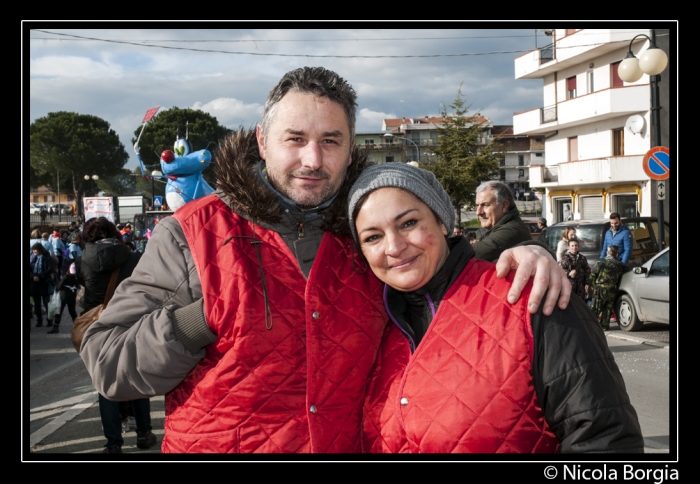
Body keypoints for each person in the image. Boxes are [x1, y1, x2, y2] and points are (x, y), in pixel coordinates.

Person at [79, 67, 571, 454]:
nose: (313, 159)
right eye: (295, 139)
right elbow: (109, 363)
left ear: (350, 146)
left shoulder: (365, 233)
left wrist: (523, 253)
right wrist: (200, 319)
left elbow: (443, 290)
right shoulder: (191, 233)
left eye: (331, 141)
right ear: (261, 140)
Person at [348, 163, 643, 453]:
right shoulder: (367, 329)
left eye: (408, 223)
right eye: (373, 237)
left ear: (441, 221)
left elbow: (604, 436)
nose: (393, 246)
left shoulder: (532, 296)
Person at [76, 216, 157, 454]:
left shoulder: (84, 260)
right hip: (130, 324)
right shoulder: (133, 257)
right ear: (114, 232)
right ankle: (143, 433)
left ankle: (113, 444)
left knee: (105, 383)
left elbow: (83, 286)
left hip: (98, 326)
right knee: (136, 378)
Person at [472, 180, 534, 261]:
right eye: (477, 206)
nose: (478, 212)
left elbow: (468, 253)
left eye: (485, 205)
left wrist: (475, 243)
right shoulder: (491, 228)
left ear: (504, 206)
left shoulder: (512, 230)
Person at [590, 245, 628, 331]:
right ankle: (604, 326)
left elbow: (592, 275)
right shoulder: (620, 265)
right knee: (607, 309)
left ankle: (591, 325)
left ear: (607, 252)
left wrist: (593, 288)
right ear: (617, 254)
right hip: (612, 290)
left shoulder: (600, 262)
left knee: (595, 308)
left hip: (600, 289)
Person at [30, 243, 56, 328]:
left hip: (44, 282)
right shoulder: (32, 258)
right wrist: (33, 276)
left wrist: (40, 276)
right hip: (34, 283)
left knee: (46, 303)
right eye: (33, 250)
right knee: (37, 304)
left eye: (35, 250)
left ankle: (49, 320)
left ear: (40, 250)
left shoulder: (47, 258)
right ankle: (39, 320)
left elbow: (50, 269)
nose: (34, 251)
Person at [48, 262, 79, 334]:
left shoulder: (66, 277)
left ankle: (56, 327)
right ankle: (78, 326)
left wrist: (57, 287)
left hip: (63, 297)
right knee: (73, 312)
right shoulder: (76, 278)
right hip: (72, 297)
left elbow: (59, 287)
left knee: (59, 312)